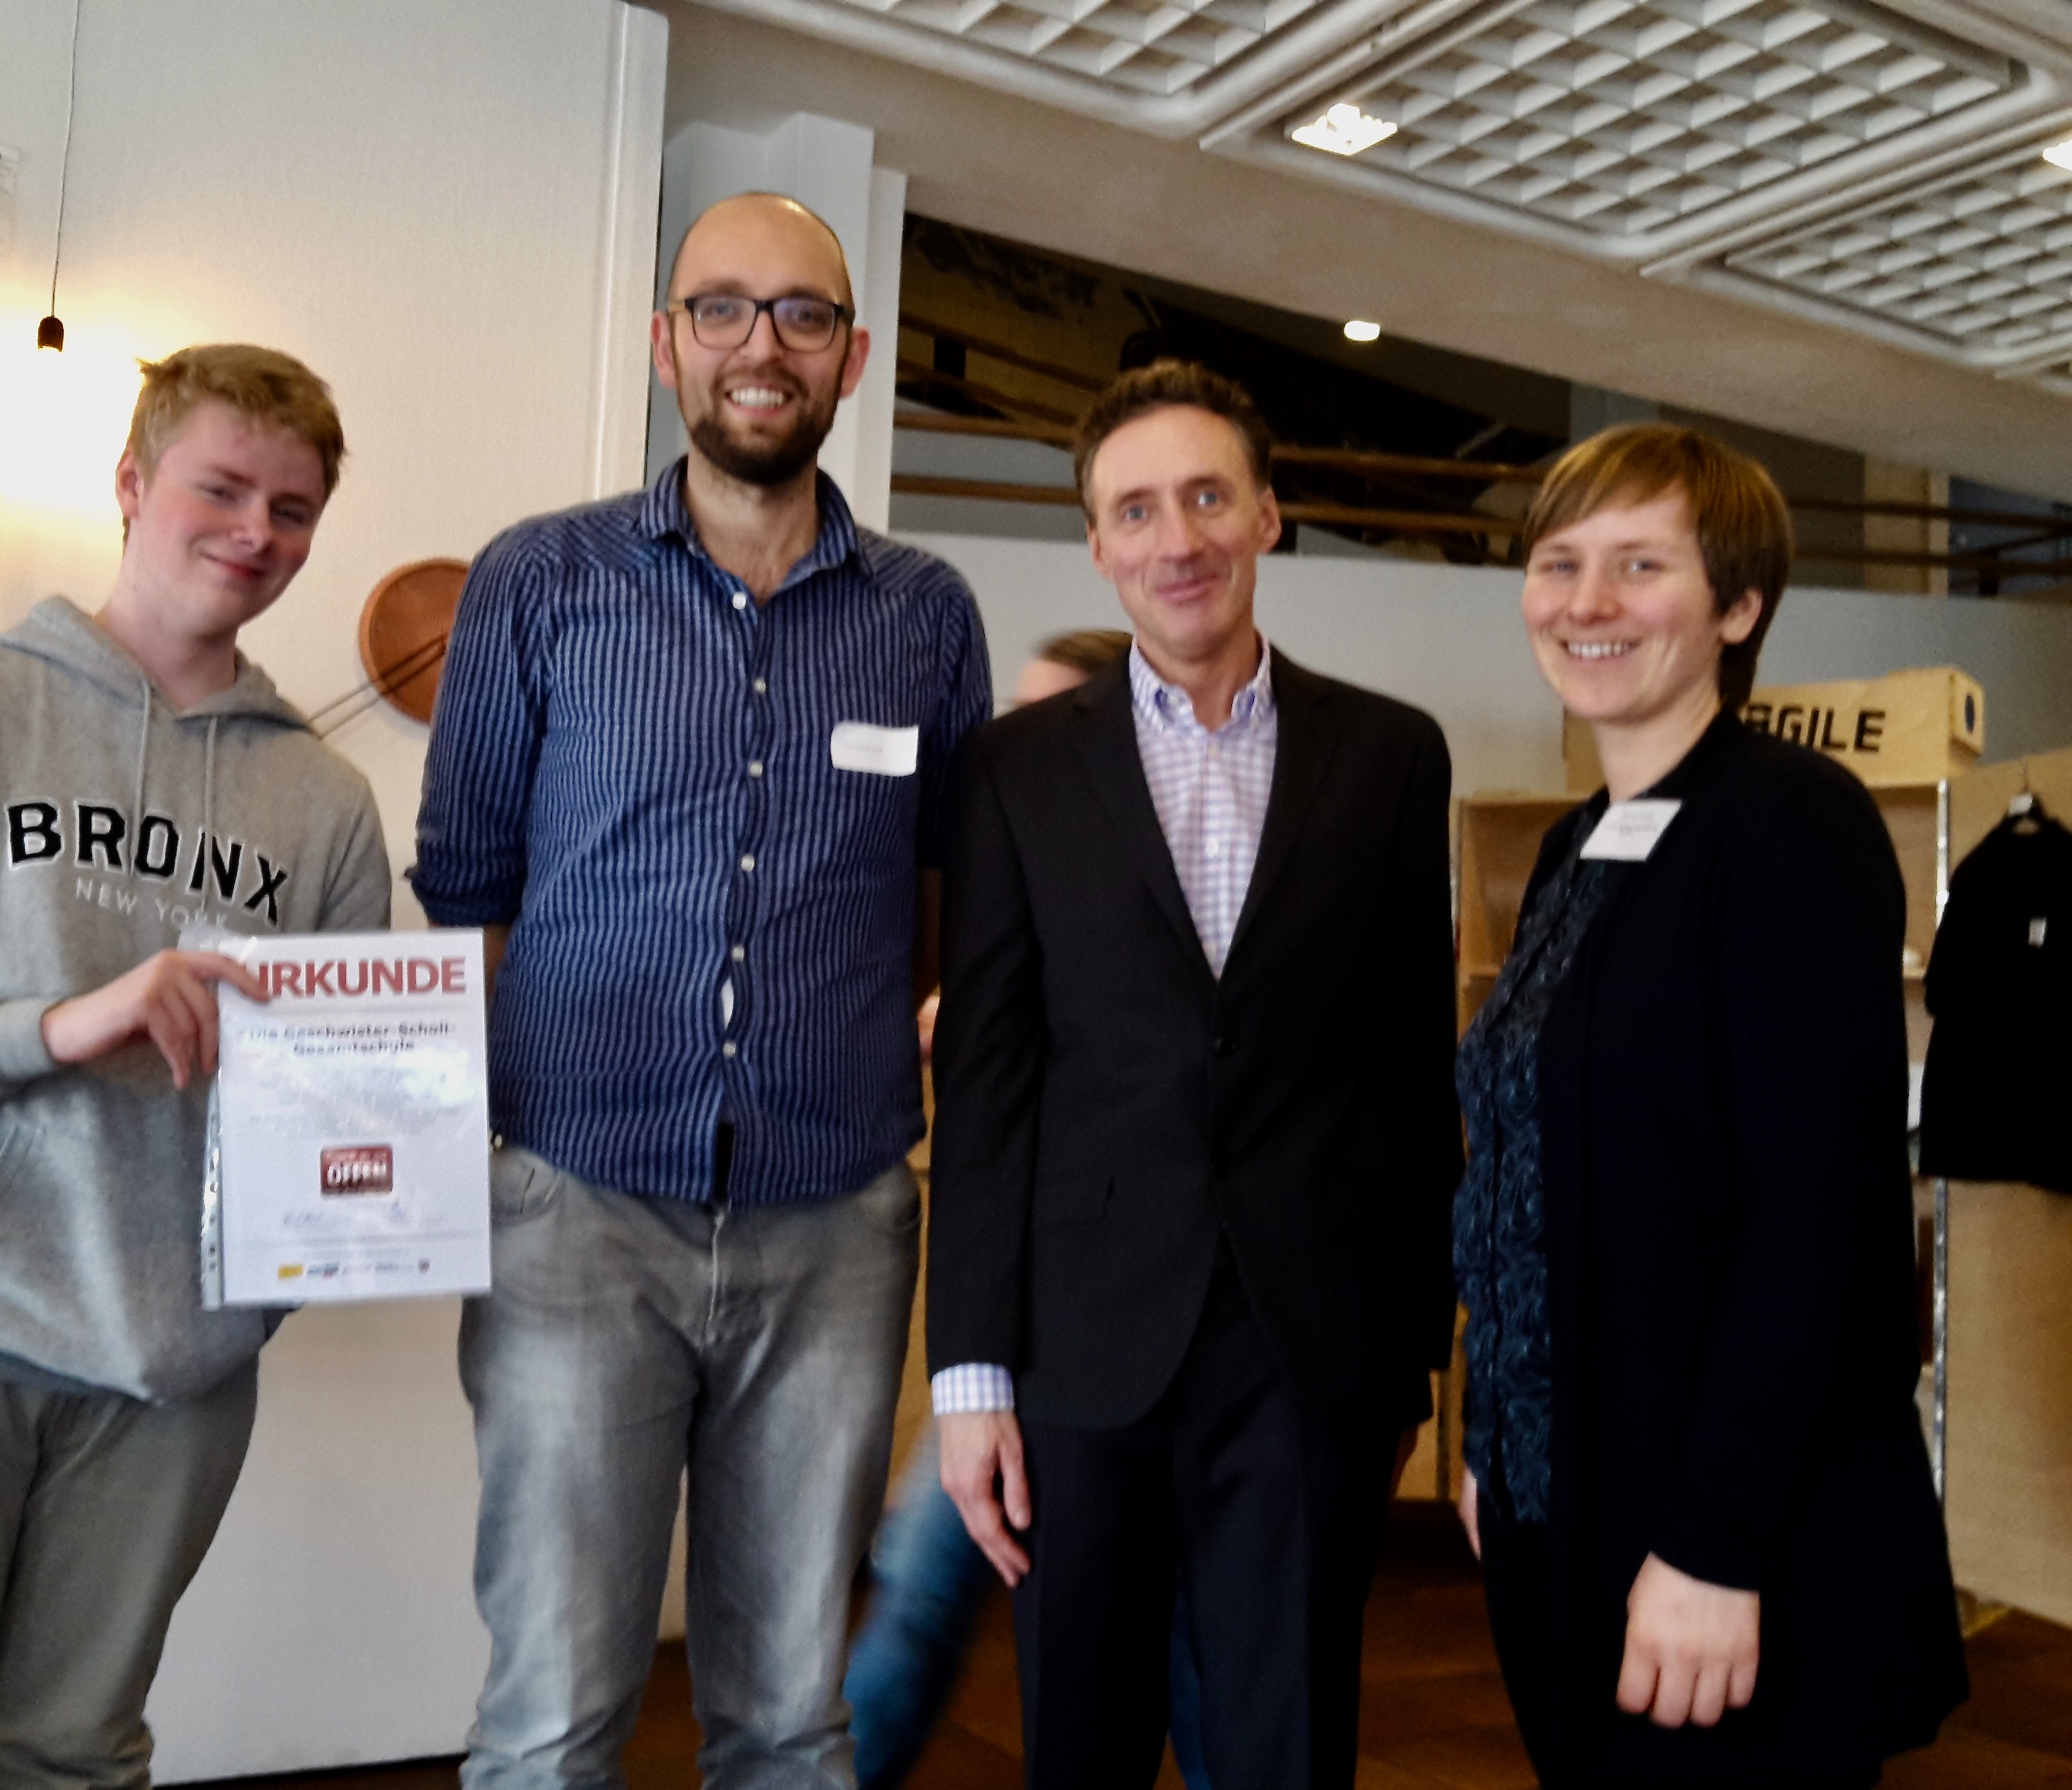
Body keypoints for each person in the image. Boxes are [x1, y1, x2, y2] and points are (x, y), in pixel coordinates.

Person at [0, 344, 393, 1790]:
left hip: (168, 1386)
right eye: (221, 489)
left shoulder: (326, 803)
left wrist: (342, 1204)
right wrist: (63, 1023)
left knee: (80, 1761)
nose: (256, 533)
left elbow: (332, 1124)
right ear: (130, 485)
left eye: (292, 510)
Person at [410, 191, 991, 1790]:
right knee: (551, 1718)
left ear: (852, 357)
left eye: (803, 314)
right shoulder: (539, 580)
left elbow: (943, 902)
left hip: (836, 1223)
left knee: (792, 1721)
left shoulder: (928, 616)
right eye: (722, 308)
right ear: (667, 343)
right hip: (575, 1215)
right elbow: (468, 889)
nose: (762, 345)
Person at [927, 360, 1462, 1790]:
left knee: (1290, 1742)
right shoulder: (1013, 772)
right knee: (1083, 1742)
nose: (1179, 539)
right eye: (1138, 509)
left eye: (1209, 497)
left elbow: (1413, 1069)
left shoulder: (1392, 756)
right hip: (1078, 1348)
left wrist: (1414, 1357)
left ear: (1268, 515)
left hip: (1311, 1349)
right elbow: (987, 1088)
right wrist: (968, 1375)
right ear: (1098, 544)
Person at [1452, 423, 1967, 1786]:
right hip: (1561, 1489)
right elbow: (1527, 1167)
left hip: (1717, 1529)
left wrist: (1713, 1544)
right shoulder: (1573, 846)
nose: (1587, 601)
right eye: (1559, 563)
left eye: (1640, 565)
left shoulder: (1793, 826)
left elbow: (1818, 1218)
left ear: (1738, 608)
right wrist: (1496, 1438)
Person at [849, 628, 1210, 1790]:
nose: (1019, 745)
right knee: (920, 1595)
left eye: (1052, 718)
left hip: (1131, 1336)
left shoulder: (1170, 895)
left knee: (1188, 1658)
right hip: (1011, 1334)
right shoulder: (1012, 867)